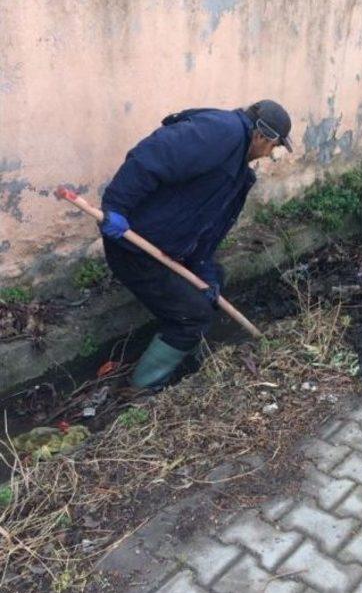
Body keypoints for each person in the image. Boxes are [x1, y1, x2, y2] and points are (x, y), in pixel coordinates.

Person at [100, 100, 293, 388]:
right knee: (193, 315)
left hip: (166, 247)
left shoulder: (237, 168)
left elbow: (208, 227)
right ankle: (143, 389)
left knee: (213, 284)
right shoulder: (221, 132)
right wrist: (116, 206)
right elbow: (153, 155)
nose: (269, 155)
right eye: (274, 148)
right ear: (262, 135)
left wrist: (203, 269)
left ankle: (182, 352)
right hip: (134, 244)